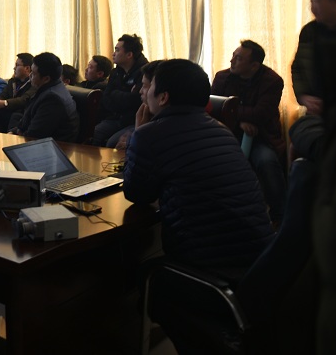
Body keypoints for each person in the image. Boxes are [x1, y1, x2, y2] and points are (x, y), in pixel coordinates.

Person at [124, 59, 273, 279]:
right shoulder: (222, 130)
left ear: (163, 97)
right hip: (260, 260)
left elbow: (136, 193)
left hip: (210, 268)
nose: (142, 91)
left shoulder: (150, 134)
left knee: (137, 270)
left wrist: (139, 133)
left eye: (150, 85)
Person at [212, 40, 287, 225]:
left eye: (238, 58)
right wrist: (240, 120)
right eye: (233, 56)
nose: (231, 61)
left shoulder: (272, 81)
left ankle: (281, 217)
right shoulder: (222, 77)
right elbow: (213, 109)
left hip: (261, 137)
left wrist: (233, 113)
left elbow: (260, 114)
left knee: (267, 162)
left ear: (254, 66)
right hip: (226, 134)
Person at [291, 0, 336, 116]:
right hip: (320, 111)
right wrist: (303, 96)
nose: (312, 8)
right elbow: (298, 67)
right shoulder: (309, 31)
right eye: (311, 2)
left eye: (317, 1)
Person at [92, 34, 149, 146]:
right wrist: (125, 95)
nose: (113, 54)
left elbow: (136, 100)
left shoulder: (144, 73)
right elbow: (106, 98)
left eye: (117, 50)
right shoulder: (115, 72)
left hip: (133, 121)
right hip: (115, 117)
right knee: (94, 133)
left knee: (112, 143)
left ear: (129, 55)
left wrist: (115, 94)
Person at [9, 52, 79, 142]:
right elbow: (26, 120)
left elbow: (34, 135)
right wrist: (14, 131)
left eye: (33, 73)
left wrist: (15, 135)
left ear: (46, 79)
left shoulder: (52, 99)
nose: (30, 75)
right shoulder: (52, 87)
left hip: (54, 146)